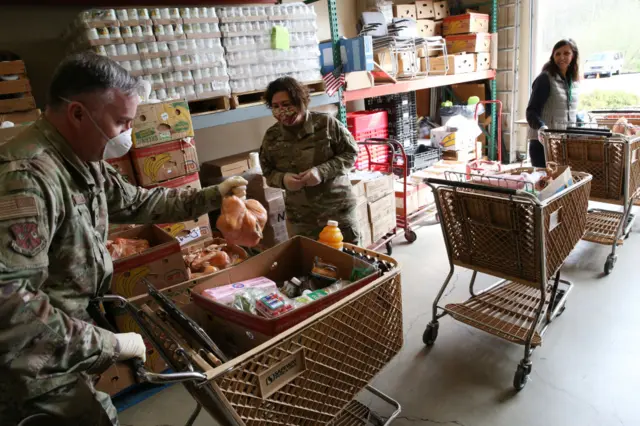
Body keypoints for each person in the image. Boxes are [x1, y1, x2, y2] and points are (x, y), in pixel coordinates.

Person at [0, 53, 247, 425]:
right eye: (121, 121)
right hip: (35, 363)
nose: (127, 134)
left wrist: (216, 194)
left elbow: (139, 202)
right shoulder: (28, 179)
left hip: (68, 339)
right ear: (79, 114)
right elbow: (10, 303)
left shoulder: (84, 159)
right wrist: (107, 344)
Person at [259, 77, 360, 243]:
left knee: (350, 261)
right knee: (311, 263)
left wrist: (321, 172)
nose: (281, 111)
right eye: (276, 106)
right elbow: (268, 171)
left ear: (301, 102)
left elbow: (351, 153)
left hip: (337, 212)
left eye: (286, 104)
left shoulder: (326, 124)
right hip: (301, 219)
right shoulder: (271, 136)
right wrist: (283, 180)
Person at [526, 38, 581, 167]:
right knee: (544, 183)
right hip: (542, 145)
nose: (562, 57)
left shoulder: (573, 82)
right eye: (558, 54)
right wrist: (542, 127)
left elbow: (568, 111)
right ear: (553, 56)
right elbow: (531, 111)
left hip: (563, 143)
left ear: (573, 56)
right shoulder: (545, 79)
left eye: (566, 53)